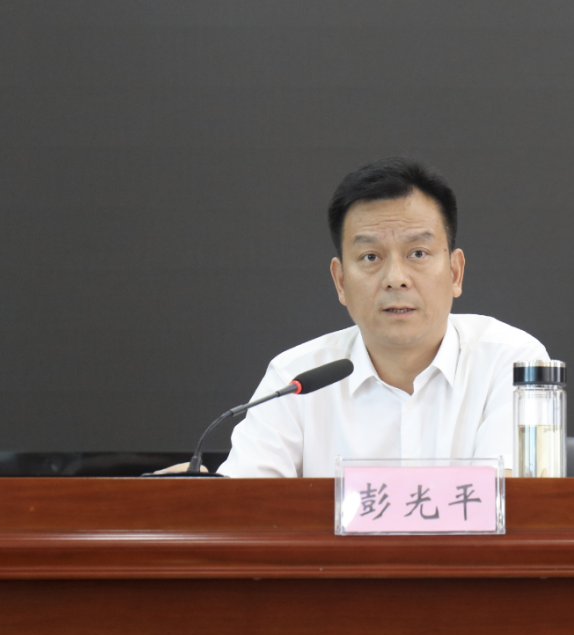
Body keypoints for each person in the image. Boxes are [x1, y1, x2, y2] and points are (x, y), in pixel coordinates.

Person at [189, 157, 549, 477]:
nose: (396, 278)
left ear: (455, 272)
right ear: (341, 281)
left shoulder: (514, 363)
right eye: (371, 257)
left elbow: (511, 503)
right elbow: (244, 508)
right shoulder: (294, 380)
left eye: (418, 253)